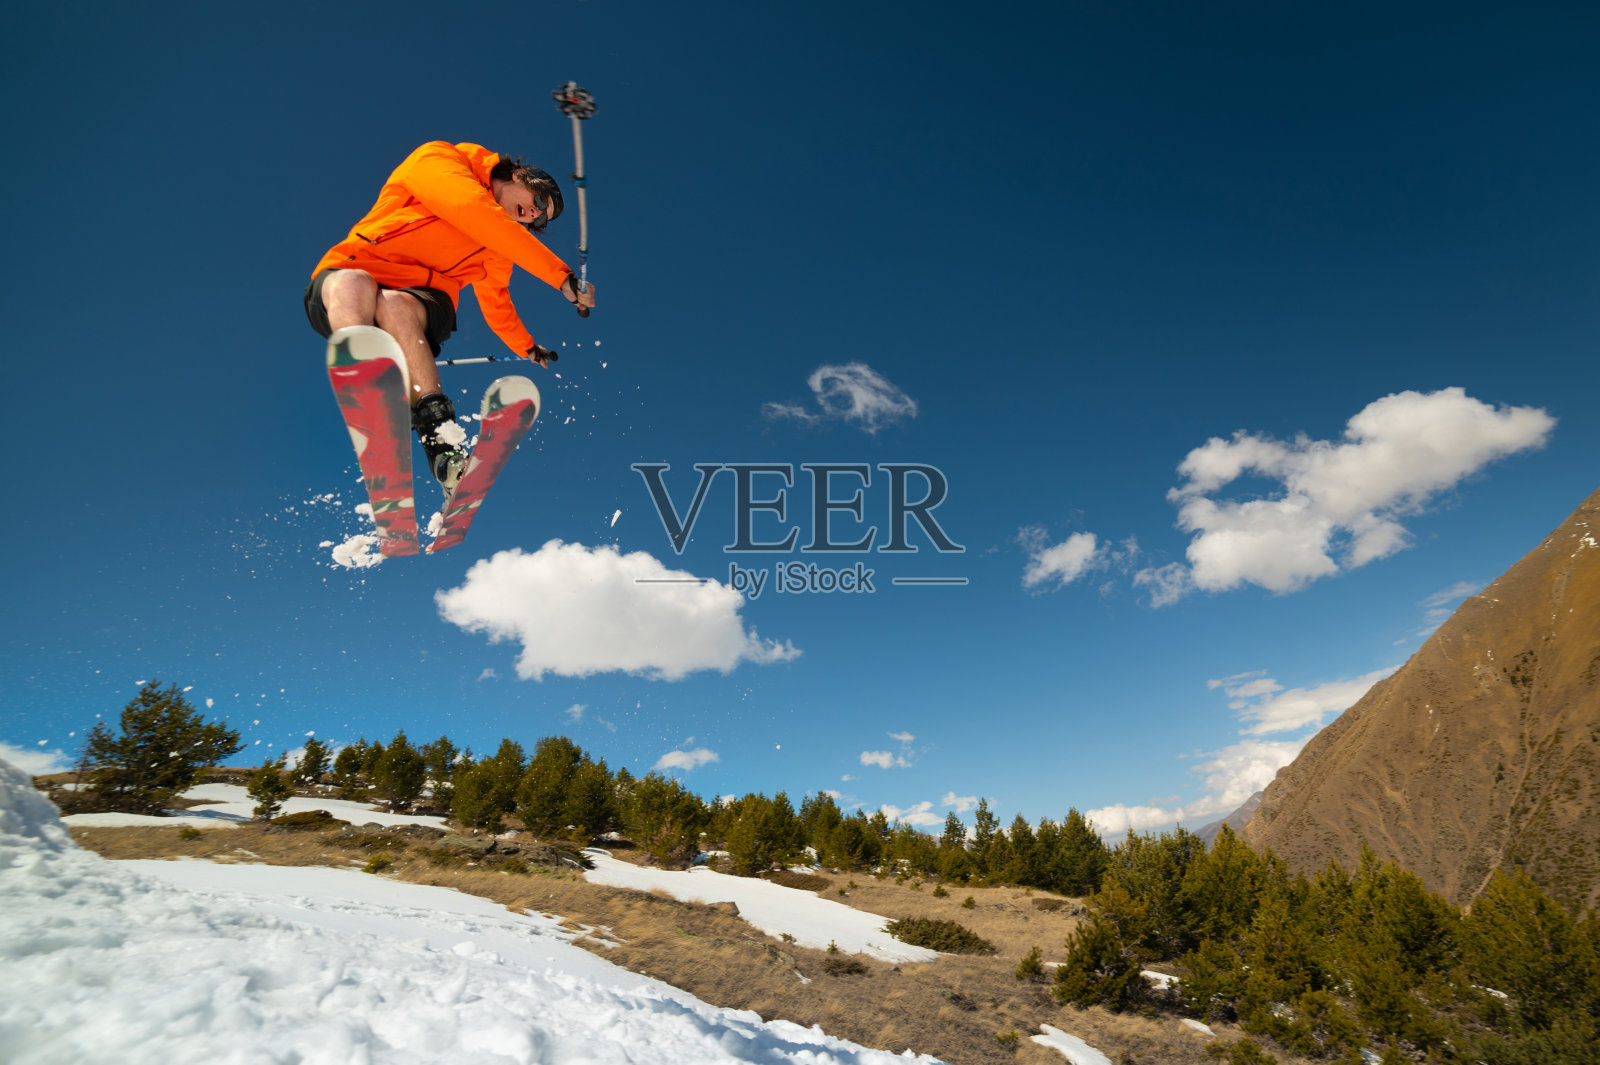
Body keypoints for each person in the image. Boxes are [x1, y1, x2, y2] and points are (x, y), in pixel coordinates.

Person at [305, 140, 597, 488]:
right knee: (354, 282)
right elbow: (467, 207)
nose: (535, 215)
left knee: (397, 306)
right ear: (520, 176)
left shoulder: (499, 250)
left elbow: (497, 303)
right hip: (357, 270)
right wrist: (559, 277)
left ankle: (443, 447)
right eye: (538, 202)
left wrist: (527, 347)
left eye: (542, 217)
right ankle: (365, 381)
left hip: (423, 298)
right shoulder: (440, 159)